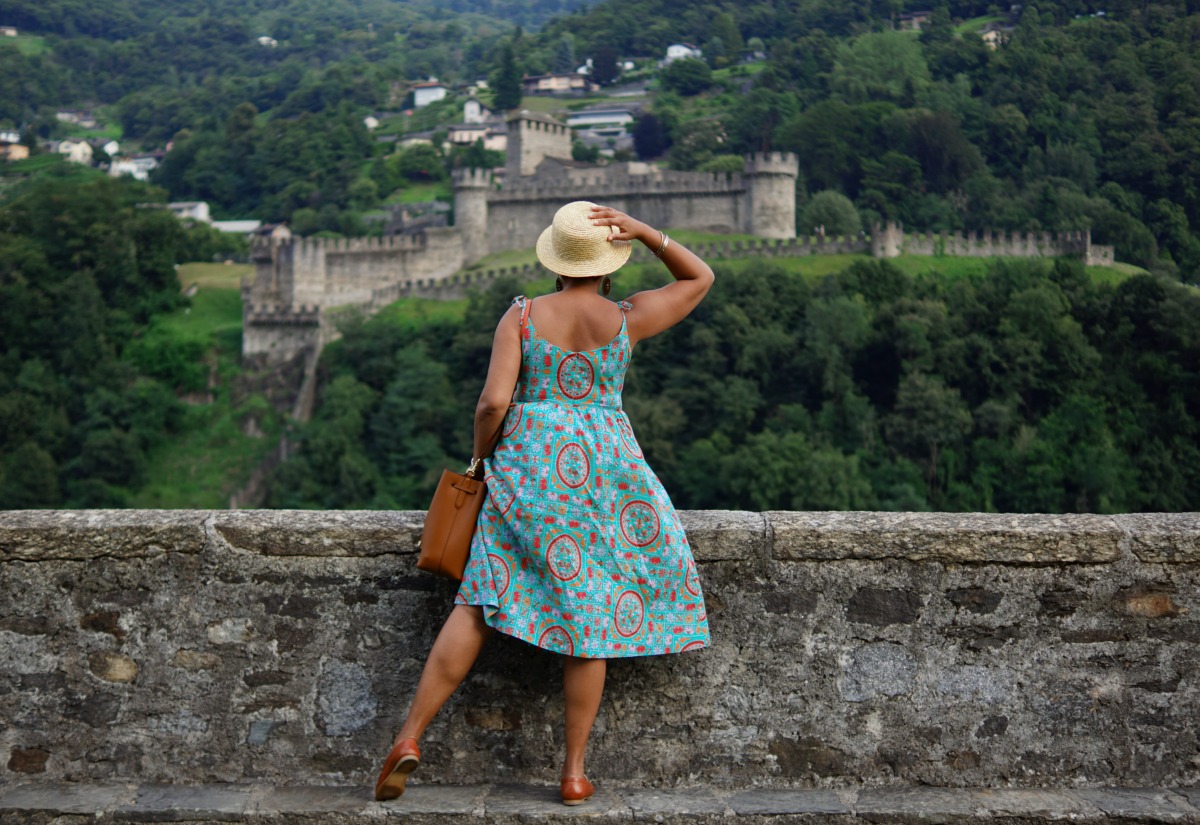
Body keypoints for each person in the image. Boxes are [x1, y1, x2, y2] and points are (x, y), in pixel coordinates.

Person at [374, 201, 714, 805]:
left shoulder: (523, 316)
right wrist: (646, 232)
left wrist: (483, 457)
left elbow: (490, 403)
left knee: (479, 598)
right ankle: (574, 773)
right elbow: (699, 278)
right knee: (591, 620)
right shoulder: (625, 317)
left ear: (554, 261)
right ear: (610, 265)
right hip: (608, 474)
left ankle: (408, 738)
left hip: (528, 470)